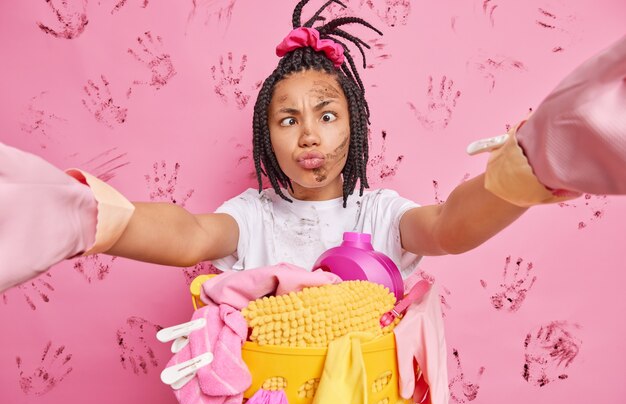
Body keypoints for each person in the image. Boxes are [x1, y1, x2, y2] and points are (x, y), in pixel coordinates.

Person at [0, 0, 624, 292]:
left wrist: (526, 171)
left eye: (326, 115)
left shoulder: (379, 216)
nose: (308, 134)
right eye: (287, 119)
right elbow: (188, 233)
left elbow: (449, 227)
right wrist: (97, 220)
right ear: (264, 138)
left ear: (352, 126)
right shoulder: (251, 219)